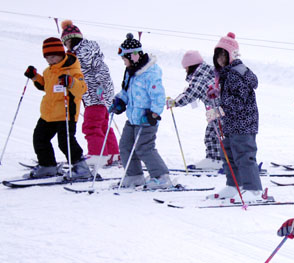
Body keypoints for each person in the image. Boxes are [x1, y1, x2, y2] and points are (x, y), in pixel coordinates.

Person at [23, 37, 93, 179]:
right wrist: (35, 76)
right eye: (47, 57)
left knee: (65, 142)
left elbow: (82, 89)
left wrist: (71, 82)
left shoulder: (72, 70)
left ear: (61, 54)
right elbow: (45, 86)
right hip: (48, 114)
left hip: (66, 113)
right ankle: (47, 166)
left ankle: (81, 169)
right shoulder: (48, 71)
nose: (50, 60)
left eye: (53, 56)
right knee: (39, 138)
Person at [109, 33, 172, 189]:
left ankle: (161, 177)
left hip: (146, 119)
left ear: (134, 56)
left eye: (125, 59)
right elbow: (126, 91)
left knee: (144, 148)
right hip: (132, 118)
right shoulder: (130, 72)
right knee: (125, 146)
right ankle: (134, 176)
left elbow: (158, 96)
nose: (124, 62)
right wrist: (119, 101)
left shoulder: (150, 73)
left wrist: (153, 114)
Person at [208, 32, 265, 203]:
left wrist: (220, 110)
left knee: (244, 154)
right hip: (231, 123)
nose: (219, 59)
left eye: (222, 54)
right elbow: (231, 96)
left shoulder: (236, 73)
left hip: (244, 122)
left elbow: (239, 99)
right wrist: (216, 93)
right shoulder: (226, 74)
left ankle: (253, 189)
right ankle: (235, 185)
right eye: (217, 55)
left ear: (231, 54)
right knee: (229, 154)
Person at [60, 20, 120, 169]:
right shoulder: (87, 51)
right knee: (103, 126)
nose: (65, 46)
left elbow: (101, 72)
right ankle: (112, 153)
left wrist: (102, 91)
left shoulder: (82, 53)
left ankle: (98, 155)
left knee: (91, 126)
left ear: (70, 40)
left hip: (95, 96)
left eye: (65, 43)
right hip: (98, 96)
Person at [166, 50, 222, 170]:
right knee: (217, 135)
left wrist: (175, 102)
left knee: (212, 135)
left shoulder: (200, 78)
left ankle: (215, 160)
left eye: (186, 68)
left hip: (218, 110)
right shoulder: (209, 72)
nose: (185, 71)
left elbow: (190, 94)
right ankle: (218, 158)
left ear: (191, 66)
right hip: (219, 109)